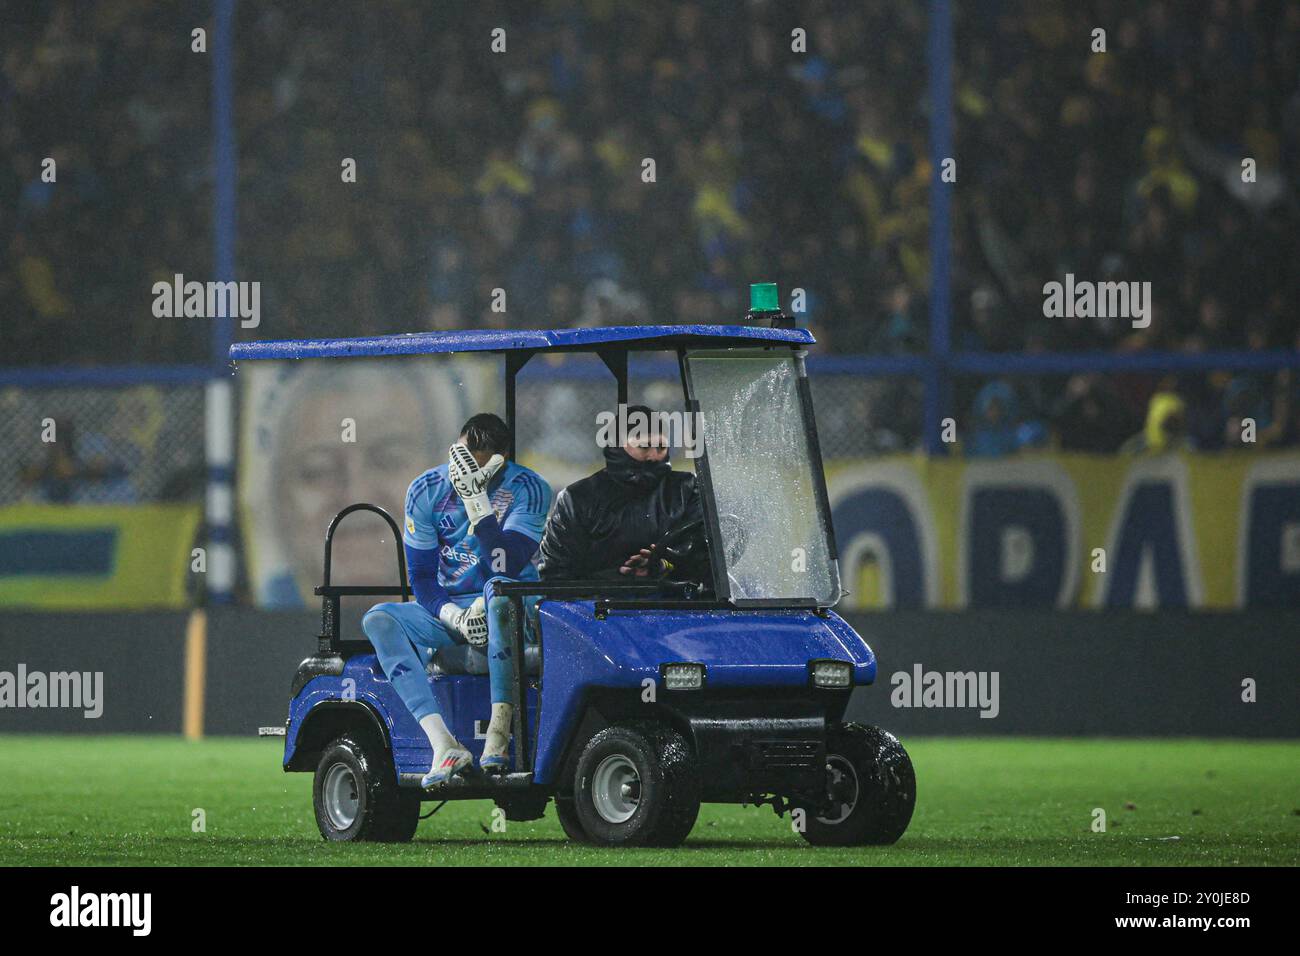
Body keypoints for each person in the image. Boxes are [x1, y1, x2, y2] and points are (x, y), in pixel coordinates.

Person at [361, 414, 551, 787]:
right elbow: (422, 578)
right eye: (463, 458)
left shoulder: (530, 488)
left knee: (496, 591)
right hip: (453, 608)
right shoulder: (425, 489)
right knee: (379, 619)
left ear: (502, 460)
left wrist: (477, 503)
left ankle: (499, 733)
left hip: (512, 601)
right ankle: (444, 744)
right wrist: (456, 616)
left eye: (478, 465)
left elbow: (507, 562)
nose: (466, 471)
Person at [537, 405, 707, 582]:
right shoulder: (578, 498)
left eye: (661, 447)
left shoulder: (686, 488)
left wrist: (663, 565)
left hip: (677, 602)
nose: (653, 456)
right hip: (596, 604)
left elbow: (705, 556)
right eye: (644, 447)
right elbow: (555, 574)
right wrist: (610, 581)